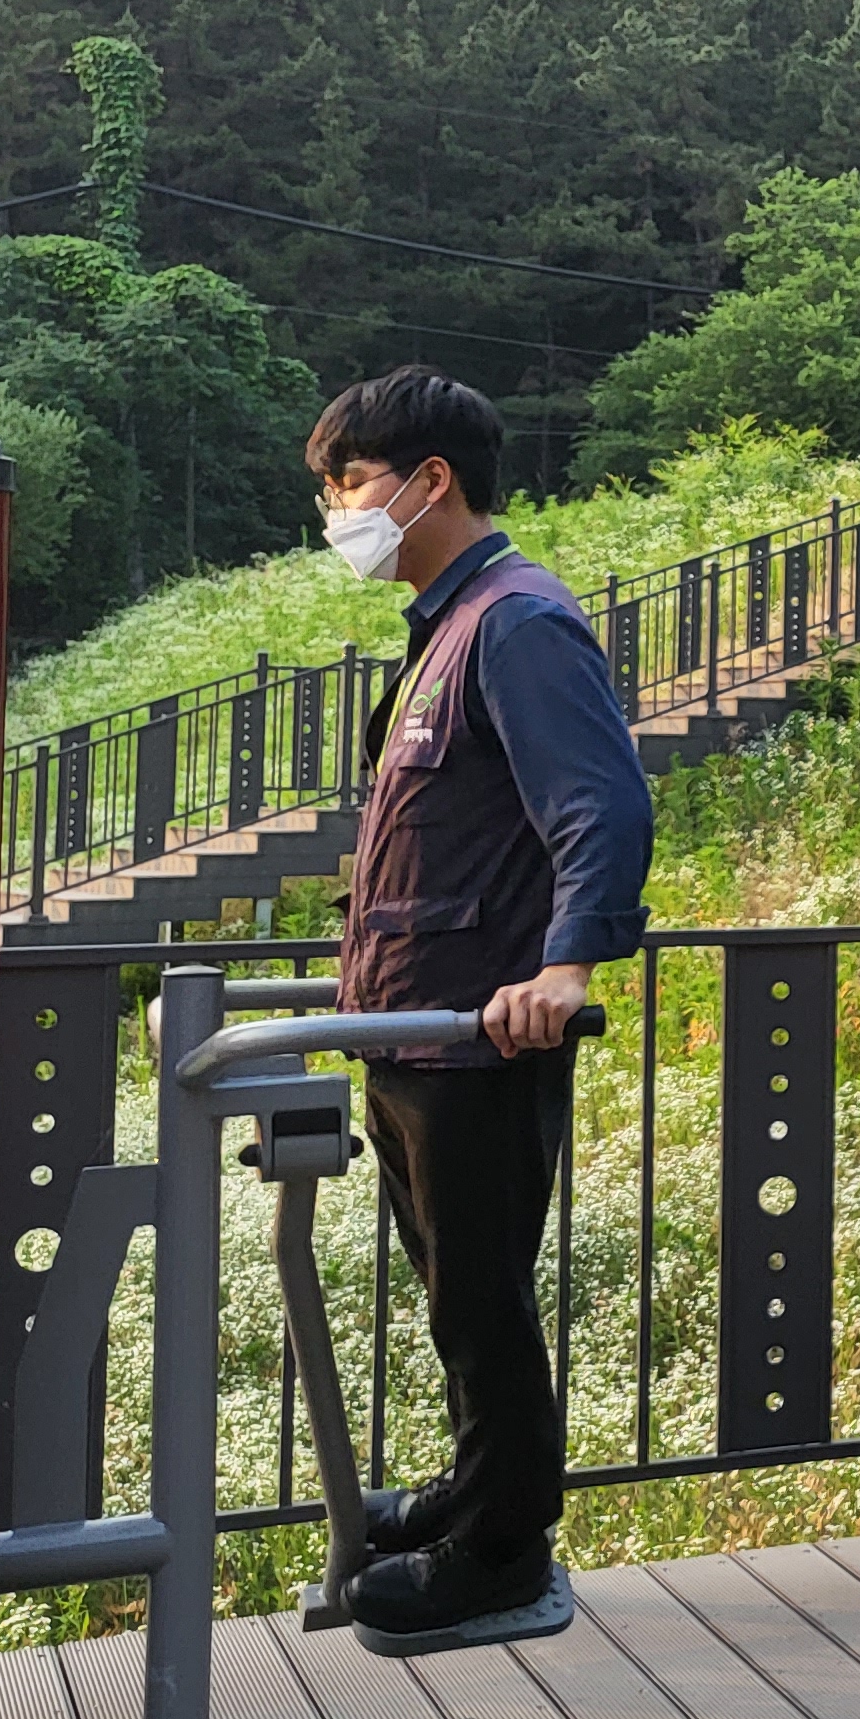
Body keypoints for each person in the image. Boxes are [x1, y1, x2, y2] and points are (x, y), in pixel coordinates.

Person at [309, 369, 655, 1649]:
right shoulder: (447, 625)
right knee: (455, 1292)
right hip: (409, 1026)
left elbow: (600, 806)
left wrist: (567, 969)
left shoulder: (516, 623)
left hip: (477, 1036)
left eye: (349, 484)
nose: (337, 513)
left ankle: (503, 1549)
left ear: (431, 481)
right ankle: (475, 1491)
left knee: (481, 1299)